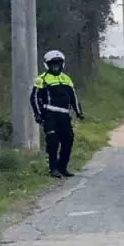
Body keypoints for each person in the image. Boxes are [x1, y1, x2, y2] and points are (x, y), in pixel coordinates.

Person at [30, 49, 84, 178]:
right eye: (53, 64)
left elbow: (73, 97)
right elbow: (34, 97)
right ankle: (53, 168)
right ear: (47, 65)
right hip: (50, 115)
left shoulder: (67, 79)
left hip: (65, 116)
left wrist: (79, 112)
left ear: (62, 64)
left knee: (68, 141)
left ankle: (62, 167)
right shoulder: (41, 79)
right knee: (53, 141)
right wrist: (37, 114)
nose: (55, 66)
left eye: (58, 64)